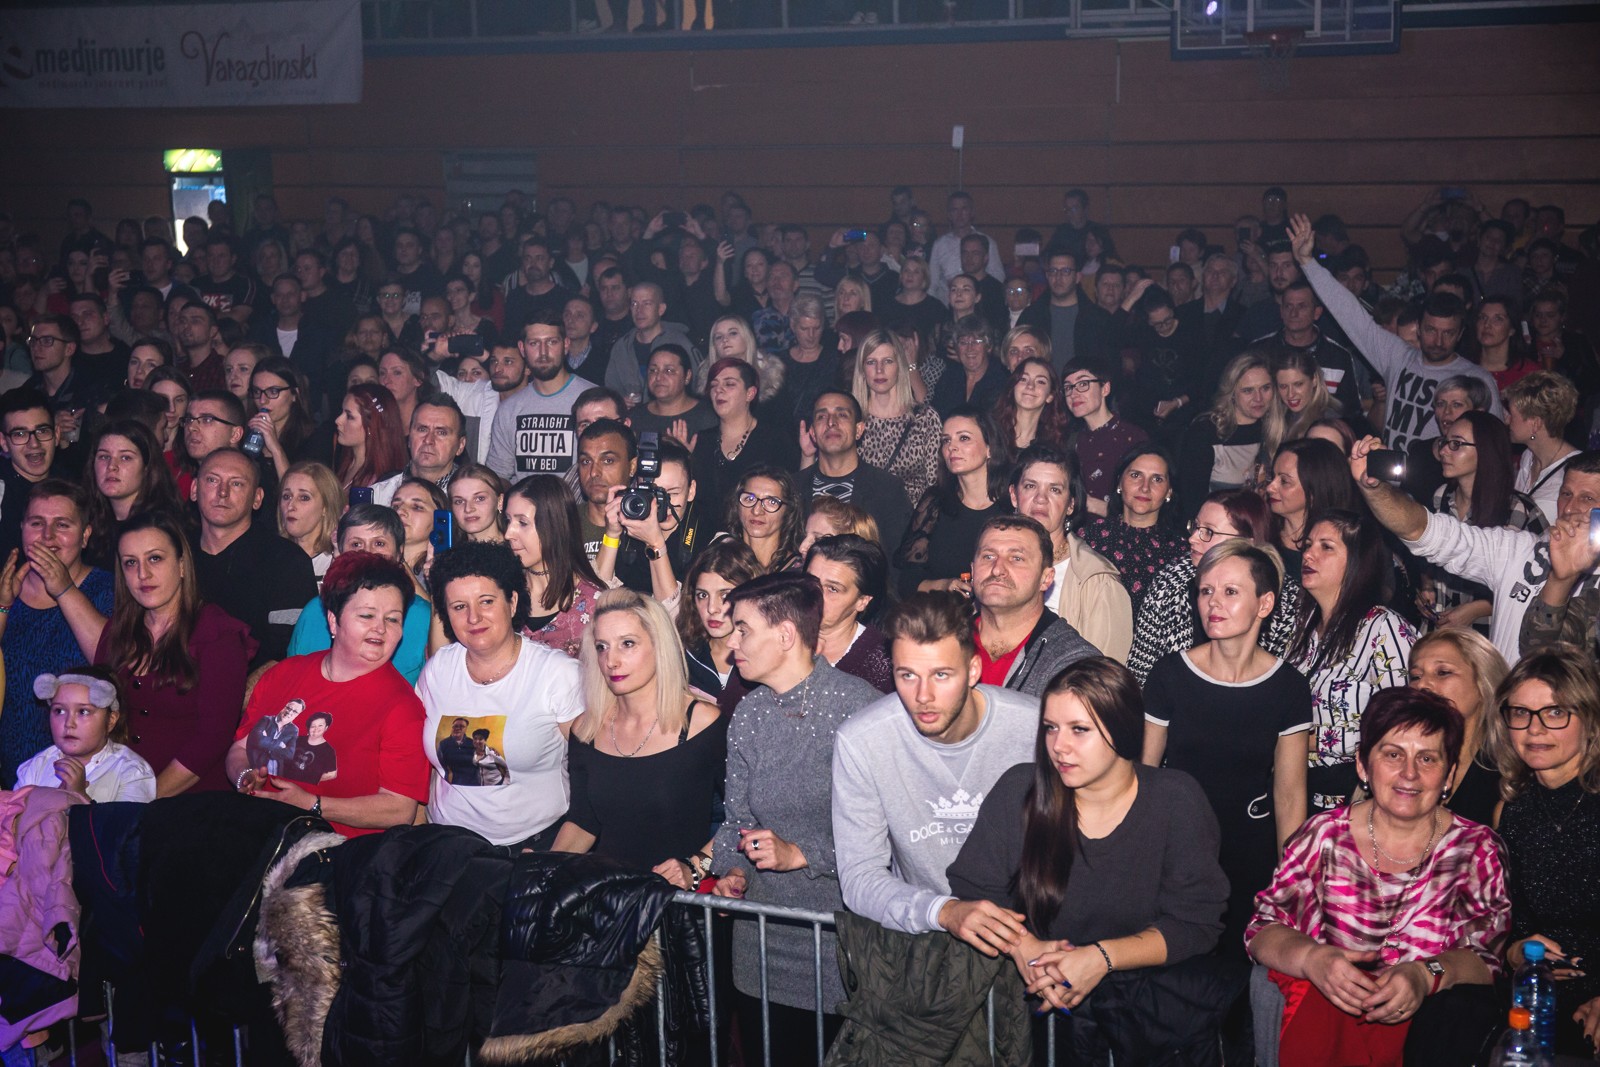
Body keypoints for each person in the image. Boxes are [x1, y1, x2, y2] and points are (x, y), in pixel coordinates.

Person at [946, 657, 1240, 1061]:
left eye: (1079, 730)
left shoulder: (1176, 800)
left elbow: (1196, 924)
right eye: (1051, 728)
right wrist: (1024, 947)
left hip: (1149, 1023)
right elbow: (974, 887)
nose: (1058, 746)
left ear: (1122, 729)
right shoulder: (1020, 790)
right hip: (1036, 1015)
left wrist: (1101, 958)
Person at [1247, 688, 1511, 1065]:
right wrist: (1312, 959)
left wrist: (1425, 975)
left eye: (1427, 758)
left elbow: (1486, 958)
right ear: (1362, 765)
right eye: (1392, 754)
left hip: (1429, 1038)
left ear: (1449, 775)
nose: (1409, 773)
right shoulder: (1322, 836)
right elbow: (1262, 930)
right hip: (1324, 1028)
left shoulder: (1475, 849)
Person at [709, 573, 883, 1061]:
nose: (732, 643)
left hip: (835, 941)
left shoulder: (860, 707)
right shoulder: (749, 713)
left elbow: (887, 837)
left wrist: (801, 854)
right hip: (760, 942)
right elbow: (735, 820)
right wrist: (734, 873)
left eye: (743, 629)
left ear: (785, 635)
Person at [832, 591, 1038, 937]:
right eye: (907, 675)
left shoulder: (1033, 728)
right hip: (926, 946)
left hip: (1031, 936)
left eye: (941, 675)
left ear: (973, 670)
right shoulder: (863, 741)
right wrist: (944, 911)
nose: (923, 695)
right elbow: (859, 877)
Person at [1143, 540, 1312, 948]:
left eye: (1230, 592)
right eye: (1205, 591)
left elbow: (1289, 795)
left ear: (1265, 604)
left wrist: (1292, 884)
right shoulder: (1170, 675)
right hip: (1178, 848)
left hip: (1250, 852)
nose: (1213, 603)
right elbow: (1144, 777)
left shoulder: (1288, 686)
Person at [226, 552, 431, 837]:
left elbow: (400, 809)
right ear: (334, 621)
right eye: (367, 615)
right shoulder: (284, 675)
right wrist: (245, 776)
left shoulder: (403, 707)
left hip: (340, 859)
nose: (381, 628)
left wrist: (314, 805)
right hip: (260, 836)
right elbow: (240, 748)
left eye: (393, 619)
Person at [1352, 437, 1600, 662]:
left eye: (1587, 498)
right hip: (1500, 708)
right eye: (1566, 493)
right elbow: (1422, 530)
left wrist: (1562, 578)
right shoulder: (1519, 549)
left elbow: (1544, 659)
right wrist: (1375, 488)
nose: (1569, 508)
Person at [553, 589, 728, 890]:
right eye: (602, 647)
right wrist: (545, 870)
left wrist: (695, 867)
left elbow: (743, 817)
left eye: (628, 644)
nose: (611, 661)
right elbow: (583, 821)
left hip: (679, 909)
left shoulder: (702, 723)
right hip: (610, 905)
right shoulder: (586, 730)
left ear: (659, 646)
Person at [418, 540, 583, 850]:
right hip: (447, 845)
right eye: (458, 607)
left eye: (486, 602)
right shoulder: (439, 669)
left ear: (511, 601)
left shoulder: (556, 674)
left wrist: (552, 859)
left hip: (533, 846)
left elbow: (593, 775)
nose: (474, 617)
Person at [1291, 214, 1501, 454]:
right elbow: (1350, 313)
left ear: (1461, 333)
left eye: (1448, 333)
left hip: (1443, 484)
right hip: (1392, 479)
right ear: (1419, 328)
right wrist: (1307, 262)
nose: (1439, 341)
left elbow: (1494, 446)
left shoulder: (1475, 379)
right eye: (1431, 330)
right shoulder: (1398, 356)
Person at [1488, 648, 1600, 1058]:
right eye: (1520, 713)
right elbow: (1510, 924)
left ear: (1589, 718)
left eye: (1555, 713)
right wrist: (1517, 951)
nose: (1534, 729)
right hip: (1538, 993)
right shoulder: (1511, 810)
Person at [95, 511, 257, 795]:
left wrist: (146, 796)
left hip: (190, 801)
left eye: (155, 558)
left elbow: (212, 738)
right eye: (130, 563)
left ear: (182, 565)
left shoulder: (217, 634)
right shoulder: (116, 631)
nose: (143, 574)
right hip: (116, 792)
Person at [1291, 510, 1418, 814]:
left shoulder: (1384, 628)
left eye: (1326, 547)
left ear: (1357, 561)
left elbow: (1402, 724)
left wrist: (1308, 739)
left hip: (1352, 799)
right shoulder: (1303, 624)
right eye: (1308, 544)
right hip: (1297, 789)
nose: (1309, 553)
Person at [0, 482, 116, 787]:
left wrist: (63, 589)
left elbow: (110, 662)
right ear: (22, 528)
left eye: (62, 525)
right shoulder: (6, 586)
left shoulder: (108, 589)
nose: (47, 536)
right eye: (37, 523)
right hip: (11, 769)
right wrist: (3, 607)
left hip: (85, 775)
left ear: (85, 535)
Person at [190, 447, 318, 665]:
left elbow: (288, 651)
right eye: (212, 480)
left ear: (257, 498)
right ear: (194, 489)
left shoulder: (286, 562)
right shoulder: (175, 554)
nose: (223, 492)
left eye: (237, 483)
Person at [1008, 445, 1134, 663]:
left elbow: (1104, 681)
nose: (1041, 498)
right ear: (1013, 496)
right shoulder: (993, 562)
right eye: (1030, 486)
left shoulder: (1097, 581)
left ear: (1070, 505)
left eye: (1054, 489)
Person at [1418, 410, 1538, 634]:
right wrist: (1426, 587)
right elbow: (1429, 555)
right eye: (1445, 442)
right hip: (1440, 632)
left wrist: (1477, 609)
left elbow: (1532, 587)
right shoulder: (1441, 495)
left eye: (1456, 444)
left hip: (1485, 636)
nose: (1443, 450)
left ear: (1485, 451)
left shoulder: (1516, 509)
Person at [285, 503, 433, 683]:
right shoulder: (315, 610)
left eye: (379, 543)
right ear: (340, 551)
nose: (367, 552)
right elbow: (292, 680)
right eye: (356, 544)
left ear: (399, 553)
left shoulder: (423, 617)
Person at [896, 407, 1010, 596]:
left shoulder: (1013, 504)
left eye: (963, 438)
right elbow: (906, 582)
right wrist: (944, 585)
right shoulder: (935, 503)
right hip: (945, 616)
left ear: (990, 449)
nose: (951, 447)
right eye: (946, 440)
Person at [1406, 627, 1507, 828]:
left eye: (1443, 672)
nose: (1423, 685)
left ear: (1482, 683)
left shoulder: (1509, 771)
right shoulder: (1399, 760)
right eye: (1416, 676)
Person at [797, 389, 913, 558]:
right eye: (822, 416)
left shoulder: (887, 489)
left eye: (842, 415)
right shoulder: (793, 488)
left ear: (859, 430)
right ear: (813, 432)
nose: (831, 422)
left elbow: (900, 562)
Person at [1074, 443, 1187, 615]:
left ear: (1169, 492)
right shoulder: (1089, 538)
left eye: (1157, 479)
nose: (1145, 487)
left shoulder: (1180, 552)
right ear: (1120, 481)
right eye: (1135, 475)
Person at [18, 667, 156, 803]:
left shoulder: (132, 772)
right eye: (59, 711)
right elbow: (11, 819)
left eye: (83, 712)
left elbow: (122, 825)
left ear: (111, 721)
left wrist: (78, 796)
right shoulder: (36, 766)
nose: (68, 723)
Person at [502, 474, 602, 659]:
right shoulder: (500, 589)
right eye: (508, 520)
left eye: (522, 523)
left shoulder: (593, 603)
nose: (508, 533)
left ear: (553, 525)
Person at [1176, 351, 1283, 519]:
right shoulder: (1206, 432)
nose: (1259, 398)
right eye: (1248, 391)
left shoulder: (1275, 429)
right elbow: (1191, 502)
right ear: (1232, 392)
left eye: (1265, 388)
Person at [691, 356, 800, 517]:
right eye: (714, 385)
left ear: (750, 393)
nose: (718, 390)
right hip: (708, 538)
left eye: (729, 384)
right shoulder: (703, 440)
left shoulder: (775, 439)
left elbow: (791, 496)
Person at [852, 329, 943, 505]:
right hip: (864, 523)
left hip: (912, 523)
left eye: (887, 361)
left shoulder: (925, 418)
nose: (879, 370)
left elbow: (935, 487)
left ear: (899, 366)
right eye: (871, 362)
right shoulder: (851, 420)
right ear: (862, 369)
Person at [804, 534, 893, 693]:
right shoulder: (778, 637)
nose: (815, 595)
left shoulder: (884, 666)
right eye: (811, 581)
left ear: (862, 601)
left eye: (833, 589)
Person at [1062, 357, 1148, 514]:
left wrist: (1092, 504)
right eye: (1068, 387)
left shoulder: (1133, 438)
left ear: (1105, 389)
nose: (1074, 393)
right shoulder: (1071, 441)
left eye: (1083, 384)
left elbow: (1145, 505)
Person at [679, 538, 762, 701]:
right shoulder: (682, 656)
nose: (711, 608)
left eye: (725, 595)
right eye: (702, 595)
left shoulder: (768, 656)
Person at [1265, 436, 1359, 577]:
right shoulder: (1262, 535)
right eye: (1272, 477)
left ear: (1314, 491)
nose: (1270, 487)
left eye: (1284, 481)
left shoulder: (1343, 550)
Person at [1504, 369, 1581, 528]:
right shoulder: (1528, 456)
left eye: (1512, 415)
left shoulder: (1577, 471)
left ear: (1535, 424)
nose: (1506, 420)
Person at [245, 356, 318, 481]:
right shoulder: (246, 435)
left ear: (294, 394)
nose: (263, 400)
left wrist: (275, 448)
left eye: (273, 391)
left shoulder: (313, 440)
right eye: (257, 392)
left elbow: (299, 492)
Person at [724, 464, 805, 575]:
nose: (757, 511)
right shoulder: (720, 563)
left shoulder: (799, 573)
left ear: (788, 511)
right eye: (749, 499)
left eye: (771, 502)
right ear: (737, 505)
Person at [929, 314, 1009, 420]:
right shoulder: (949, 378)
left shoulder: (1001, 380)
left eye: (977, 341)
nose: (970, 348)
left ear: (989, 346)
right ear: (956, 348)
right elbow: (935, 416)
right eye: (963, 342)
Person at [334, 381, 407, 493]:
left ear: (371, 427)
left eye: (349, 416)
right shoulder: (345, 462)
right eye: (341, 412)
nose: (338, 420)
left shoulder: (381, 483)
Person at [991, 356, 1068, 458]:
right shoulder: (990, 432)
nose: (1030, 386)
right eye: (1023, 379)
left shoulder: (1054, 446)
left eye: (1040, 381)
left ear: (1050, 396)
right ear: (1013, 387)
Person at [277, 460, 342, 579]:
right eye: (286, 496)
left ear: (325, 507)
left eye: (304, 498)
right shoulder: (272, 556)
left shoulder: (338, 561)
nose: (290, 506)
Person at [390, 476, 448, 579]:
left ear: (439, 519)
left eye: (417, 507)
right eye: (396, 506)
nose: (400, 511)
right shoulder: (375, 563)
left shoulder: (446, 571)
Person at [447, 461, 507, 544]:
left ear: (500, 501)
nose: (468, 509)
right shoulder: (446, 554)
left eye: (480, 498)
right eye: (459, 501)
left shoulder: (519, 551)